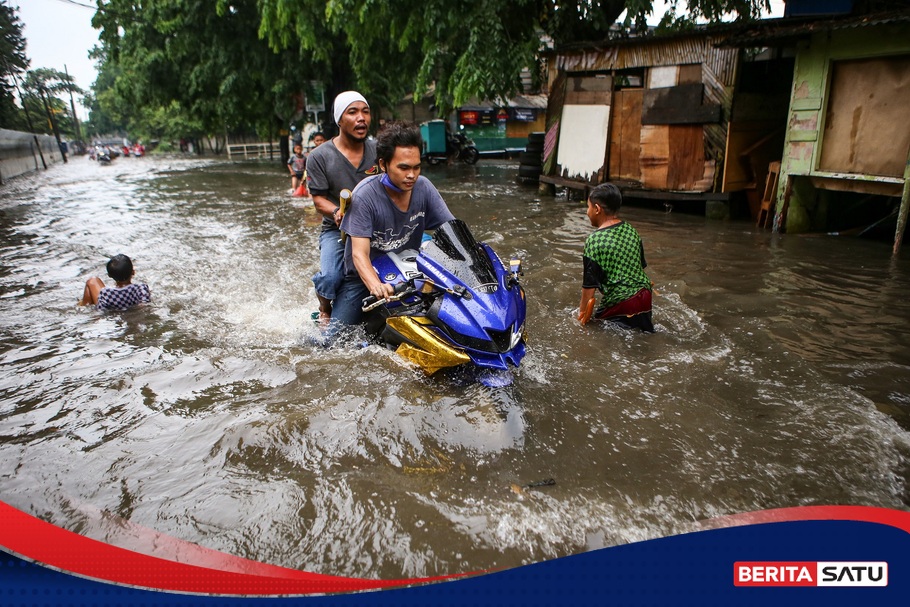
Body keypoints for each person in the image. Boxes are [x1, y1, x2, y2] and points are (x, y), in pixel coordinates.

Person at [333, 120, 455, 328]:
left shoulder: (424, 187)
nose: (412, 175)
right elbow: (359, 254)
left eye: (417, 167)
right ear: (383, 164)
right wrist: (376, 286)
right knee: (332, 341)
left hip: (409, 272)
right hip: (365, 279)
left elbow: (452, 231)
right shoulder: (365, 196)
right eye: (404, 168)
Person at [306, 91, 379, 324]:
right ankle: (325, 307)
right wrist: (336, 212)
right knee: (330, 276)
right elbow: (318, 200)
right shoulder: (319, 156)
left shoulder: (380, 150)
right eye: (353, 112)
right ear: (339, 120)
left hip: (376, 227)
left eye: (365, 112)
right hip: (337, 230)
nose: (361, 118)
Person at [577, 182, 654, 332]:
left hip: (621, 303)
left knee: (597, 333)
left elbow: (589, 288)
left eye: (588, 207)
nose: (587, 212)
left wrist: (580, 318)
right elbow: (639, 268)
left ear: (597, 209)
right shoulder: (631, 230)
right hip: (645, 296)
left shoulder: (595, 240)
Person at [79, 254, 151, 311]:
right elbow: (145, 305)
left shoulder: (106, 293)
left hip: (113, 313)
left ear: (109, 275)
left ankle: (82, 305)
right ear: (133, 272)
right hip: (131, 312)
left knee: (92, 281)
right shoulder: (141, 288)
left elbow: (100, 310)